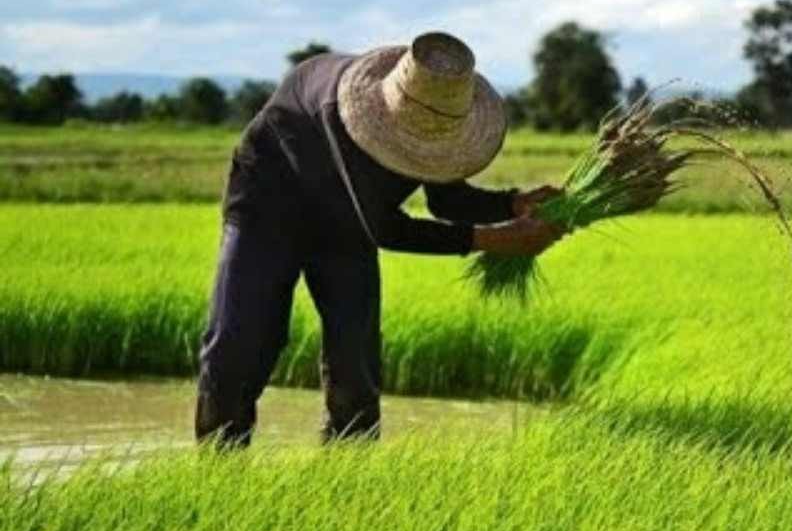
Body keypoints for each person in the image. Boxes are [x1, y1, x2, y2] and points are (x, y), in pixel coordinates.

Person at [195, 31, 563, 447]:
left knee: (356, 357)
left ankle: (350, 474)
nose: (421, 149)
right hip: (269, 209)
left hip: (348, 224)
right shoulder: (341, 109)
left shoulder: (436, 116)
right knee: (240, 341)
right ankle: (220, 462)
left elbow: (446, 200)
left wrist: (512, 205)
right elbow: (384, 229)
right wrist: (491, 241)